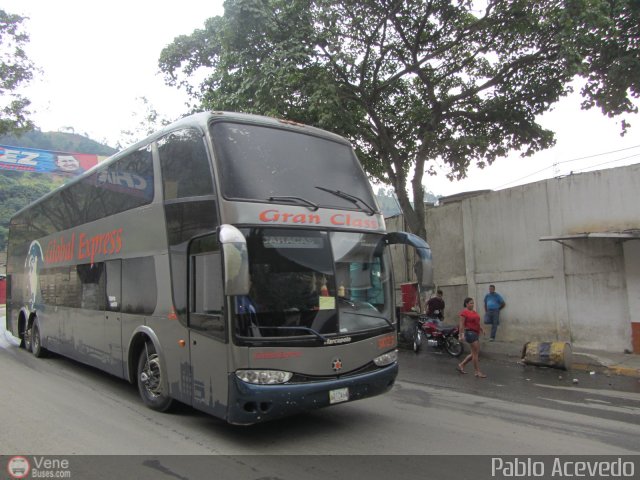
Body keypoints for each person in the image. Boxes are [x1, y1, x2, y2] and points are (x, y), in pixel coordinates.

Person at [457, 297, 486, 378]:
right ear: (466, 304)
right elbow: (461, 324)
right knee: (475, 354)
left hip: (475, 333)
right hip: (470, 333)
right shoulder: (464, 312)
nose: (472, 304)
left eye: (473, 303)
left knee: (474, 353)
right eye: (470, 303)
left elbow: (477, 322)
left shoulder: (473, 312)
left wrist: (481, 328)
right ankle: (477, 371)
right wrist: (461, 335)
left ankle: (461, 364)